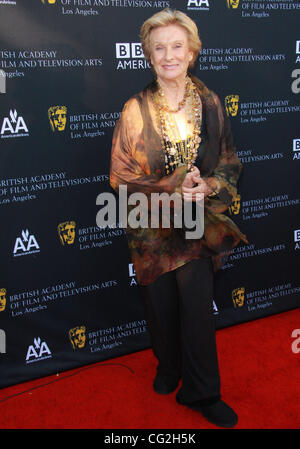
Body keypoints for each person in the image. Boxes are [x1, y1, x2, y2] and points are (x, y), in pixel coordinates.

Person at [110, 8, 248, 428]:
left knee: (196, 307)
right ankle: (168, 366)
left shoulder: (210, 103)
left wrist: (207, 187)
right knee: (161, 305)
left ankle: (203, 392)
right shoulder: (135, 109)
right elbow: (120, 179)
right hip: (151, 228)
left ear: (192, 52)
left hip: (197, 223)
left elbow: (228, 161)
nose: (168, 55)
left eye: (176, 46)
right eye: (159, 48)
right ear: (149, 56)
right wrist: (173, 188)